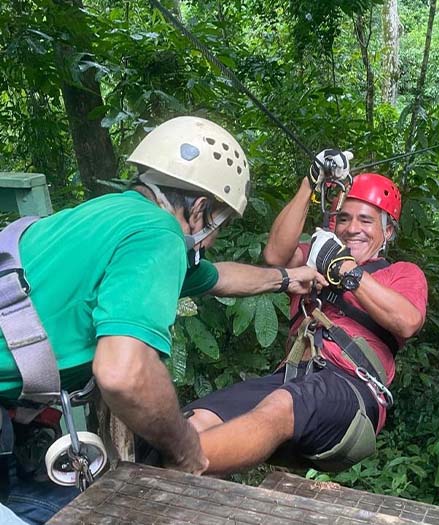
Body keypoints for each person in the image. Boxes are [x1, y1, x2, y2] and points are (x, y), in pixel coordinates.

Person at [0, 116, 318, 524]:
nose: (212, 239)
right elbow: (124, 374)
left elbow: (217, 277)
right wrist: (187, 451)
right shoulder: (160, 236)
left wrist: (287, 278)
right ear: (200, 208)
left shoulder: (109, 215)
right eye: (218, 226)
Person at [187, 150, 428, 474]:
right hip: (291, 379)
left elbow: (407, 321)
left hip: (351, 389)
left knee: (283, 405)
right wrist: (310, 183)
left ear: (387, 232)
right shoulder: (315, 258)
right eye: (343, 218)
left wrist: (345, 269)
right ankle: (162, 472)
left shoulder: (401, 273)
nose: (351, 228)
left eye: (366, 220)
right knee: (197, 419)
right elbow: (275, 255)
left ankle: (176, 468)